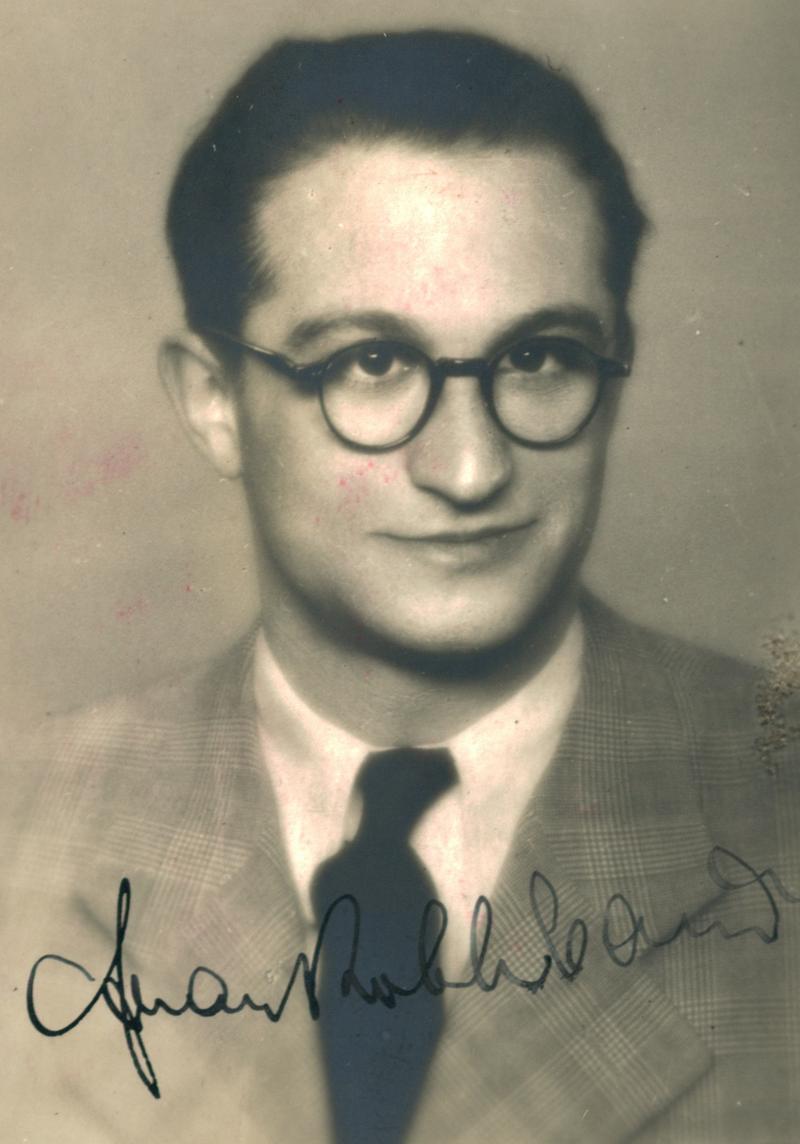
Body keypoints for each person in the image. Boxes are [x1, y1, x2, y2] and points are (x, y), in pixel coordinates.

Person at [2, 28, 798, 1144]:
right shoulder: (24, 824)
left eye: (538, 356)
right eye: (369, 363)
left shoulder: (771, 814)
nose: (469, 469)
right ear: (214, 402)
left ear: (613, 372)